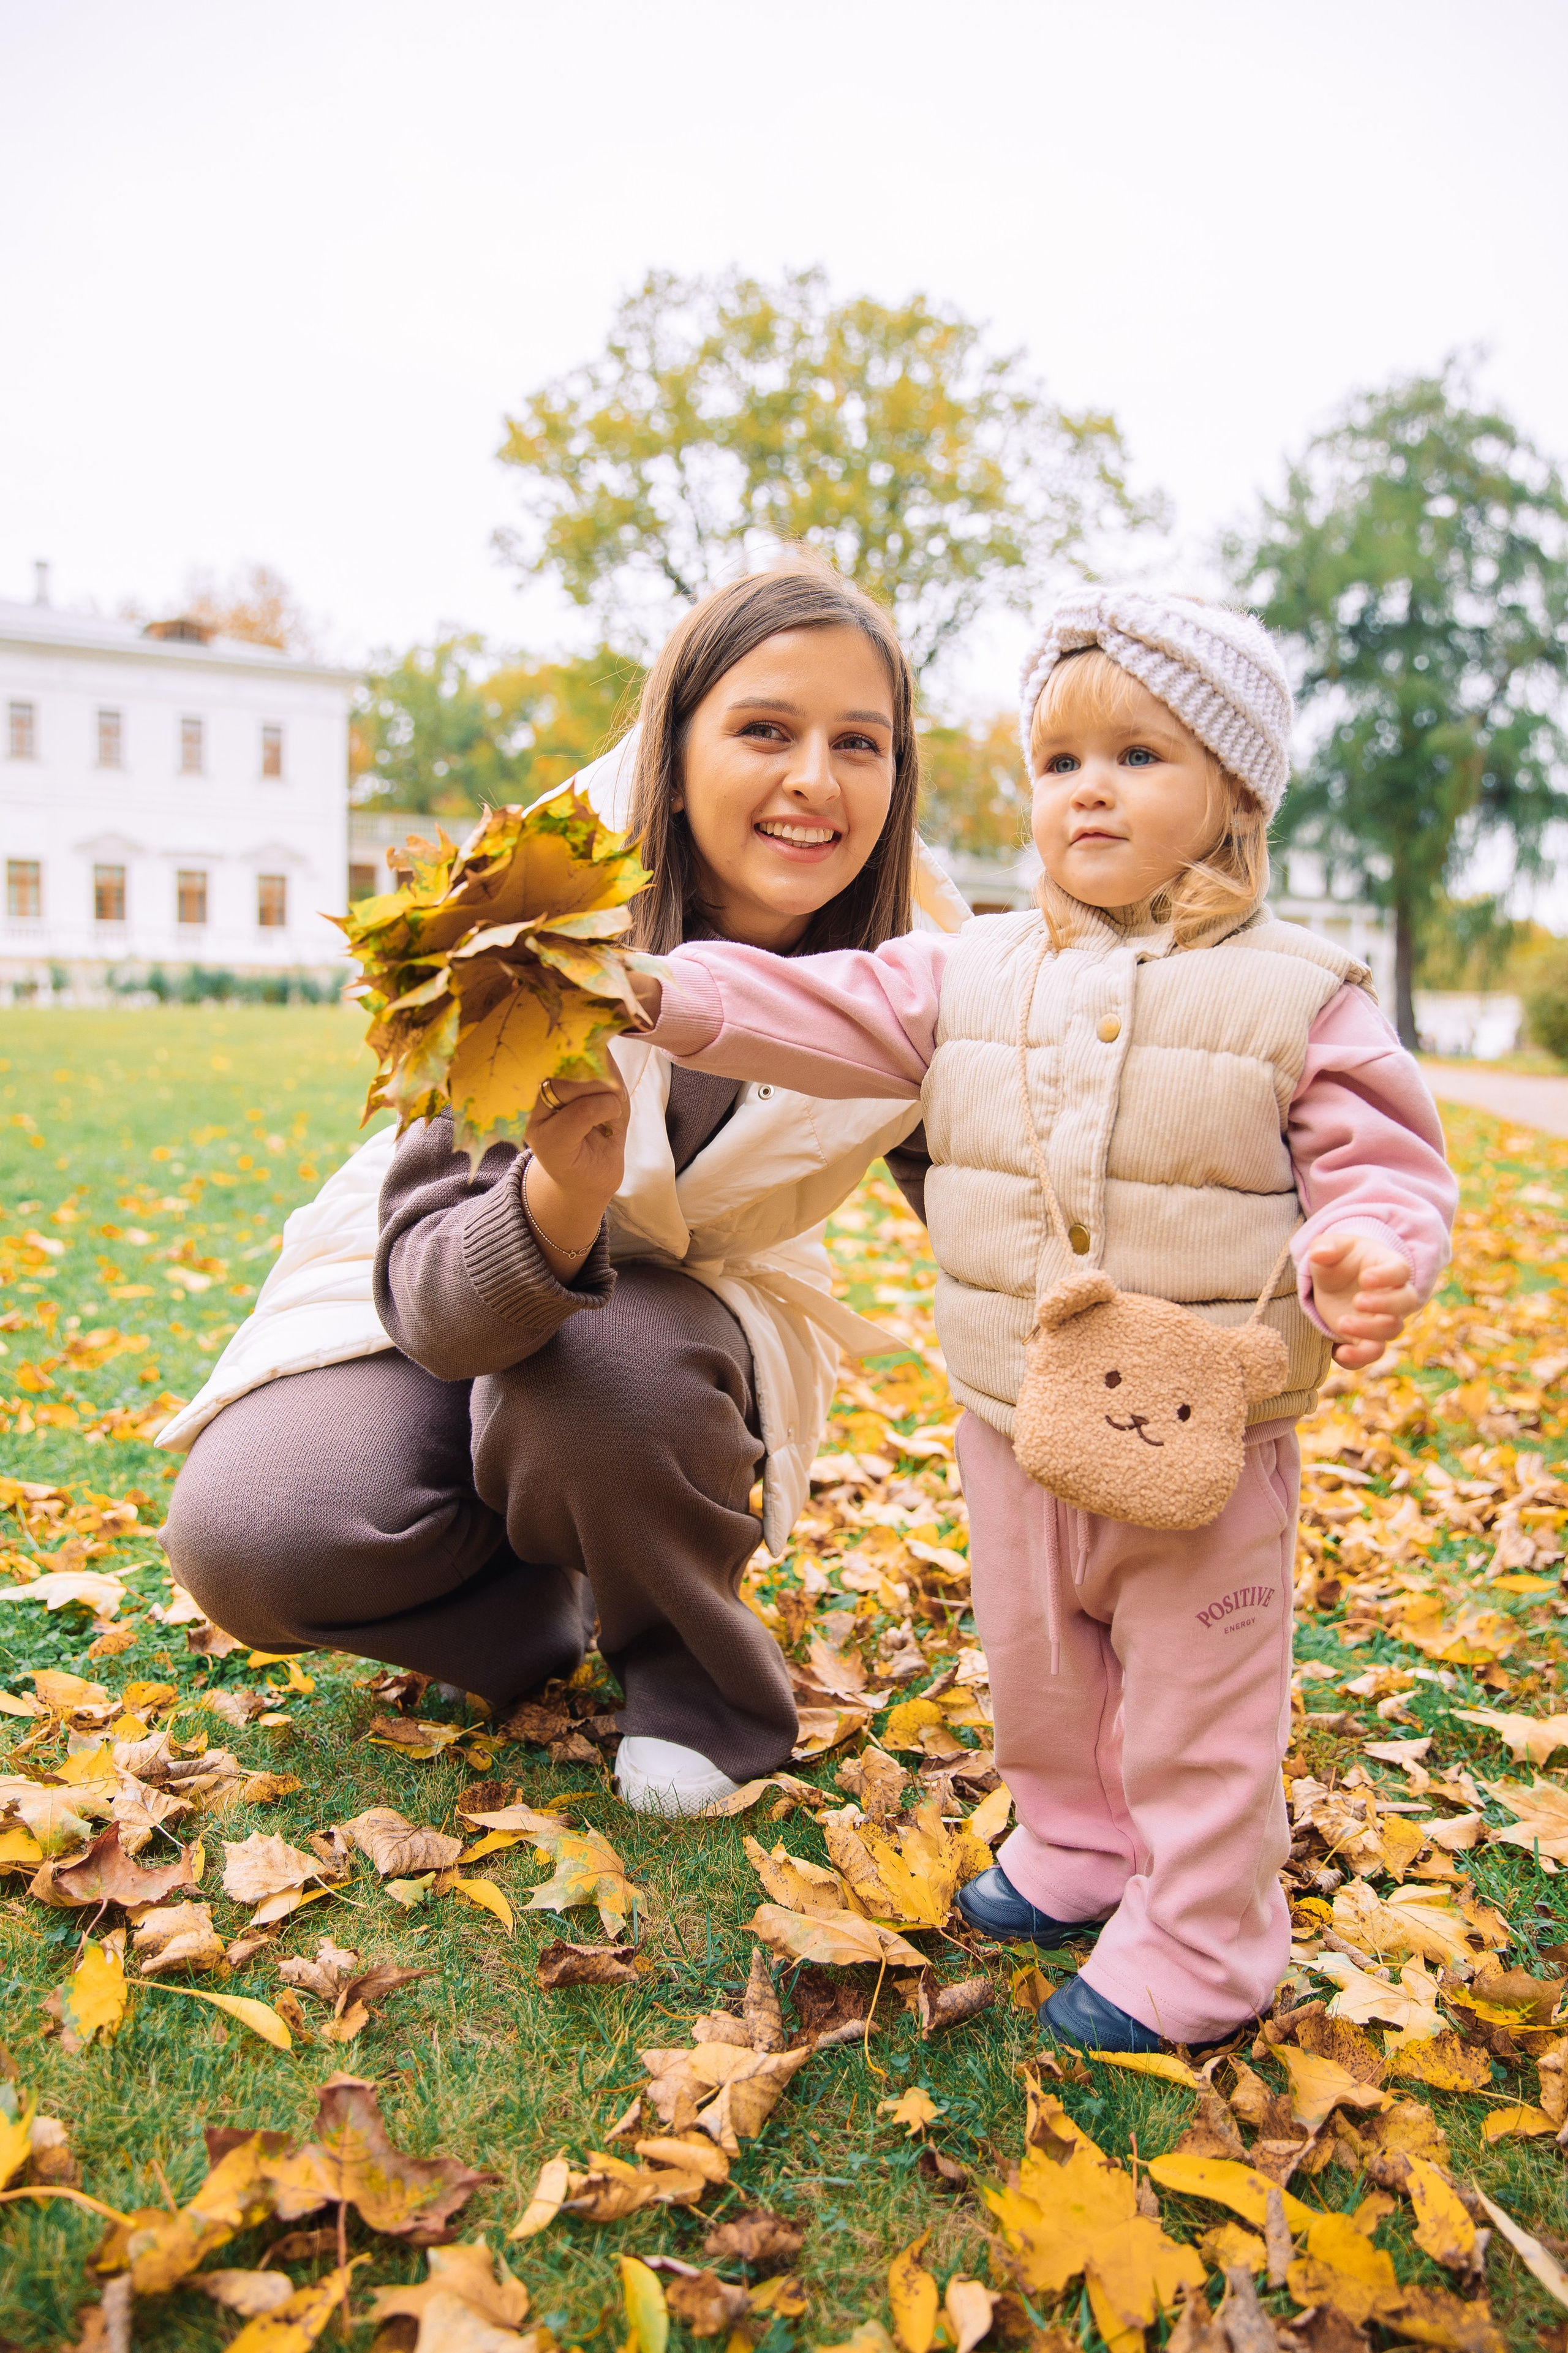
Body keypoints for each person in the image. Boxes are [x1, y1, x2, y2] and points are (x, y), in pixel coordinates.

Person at [624, 588, 1457, 2049]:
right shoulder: (970, 968)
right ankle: (1075, 1845)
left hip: (1202, 1432)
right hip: (1013, 1411)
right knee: (1041, 1670)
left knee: (1197, 1697)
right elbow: (807, 1005)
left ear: (1232, 789)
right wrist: (656, 990)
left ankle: (1203, 1941)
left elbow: (1375, 1164)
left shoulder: (1300, 992)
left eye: (1138, 757)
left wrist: (1365, 1246)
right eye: (1059, 761)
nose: (1088, 789)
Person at [159, 558, 968, 1816]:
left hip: (671, 1340)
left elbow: (985, 1198)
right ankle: (540, 1605)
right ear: (674, 745)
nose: (815, 778)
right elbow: (436, 1310)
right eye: (765, 729)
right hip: (446, 1282)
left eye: (857, 743)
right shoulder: (528, 917)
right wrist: (556, 1199)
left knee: (611, 1366)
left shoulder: (930, 971)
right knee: (253, 1532)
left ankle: (695, 1684)